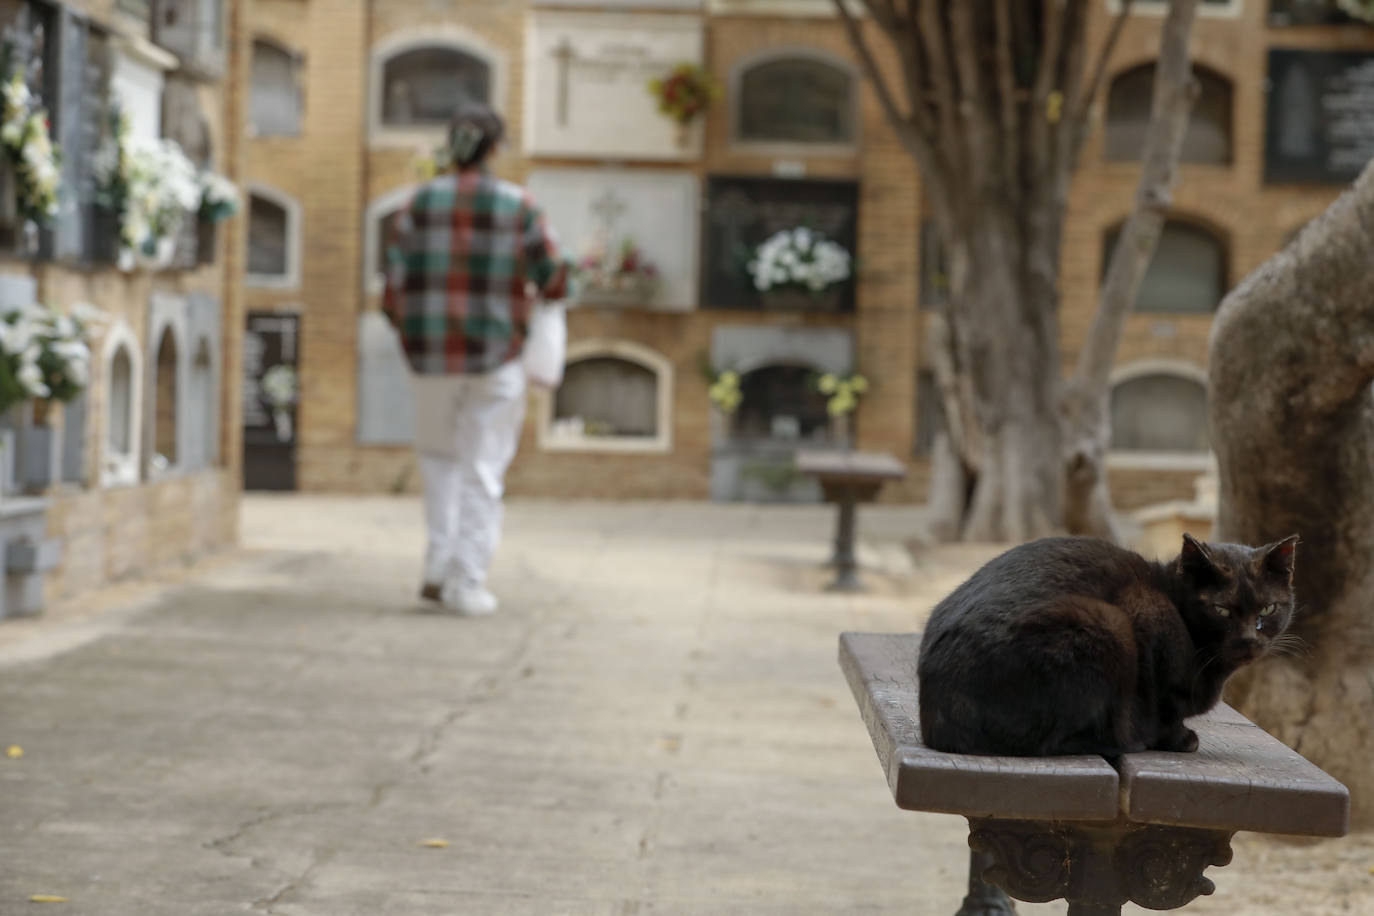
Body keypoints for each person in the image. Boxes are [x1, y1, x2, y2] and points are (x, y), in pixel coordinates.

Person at [383, 102, 568, 616]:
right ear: (496, 148)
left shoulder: (418, 203)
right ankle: (467, 584)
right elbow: (553, 277)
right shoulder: (519, 206)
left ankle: (437, 567)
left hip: (430, 358)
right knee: (483, 470)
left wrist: (415, 335)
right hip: (496, 356)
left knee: (439, 461)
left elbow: (391, 291)